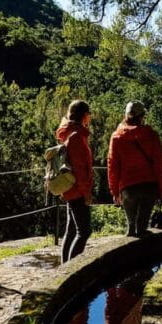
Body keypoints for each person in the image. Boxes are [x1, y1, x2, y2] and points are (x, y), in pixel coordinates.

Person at [107, 101, 162, 237]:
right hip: (149, 187)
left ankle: (130, 236)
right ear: (142, 116)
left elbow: (112, 166)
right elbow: (159, 164)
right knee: (142, 228)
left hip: (128, 188)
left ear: (126, 115)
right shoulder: (152, 135)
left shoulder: (116, 137)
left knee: (131, 227)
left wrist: (114, 191)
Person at [57, 99, 93, 264]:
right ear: (85, 116)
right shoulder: (77, 136)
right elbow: (80, 169)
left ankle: (65, 267)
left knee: (72, 230)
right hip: (77, 190)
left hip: (69, 188)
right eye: (89, 114)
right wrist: (86, 193)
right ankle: (71, 269)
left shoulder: (68, 133)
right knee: (84, 231)